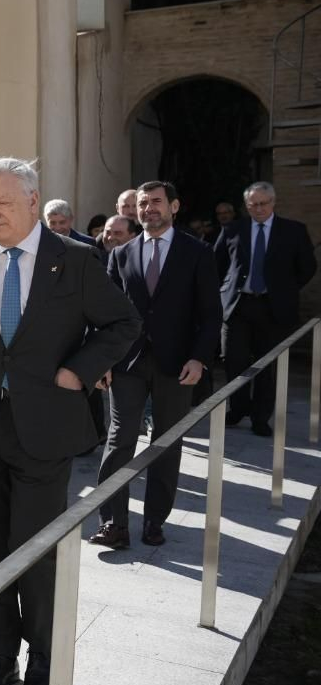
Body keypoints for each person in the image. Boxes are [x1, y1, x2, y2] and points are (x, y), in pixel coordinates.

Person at [0, 158, 139, 685]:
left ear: (31, 200)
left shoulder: (76, 260)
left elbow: (123, 323)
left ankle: (43, 654)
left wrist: (80, 369)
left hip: (45, 430)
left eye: (2, 203)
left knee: (37, 548)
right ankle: (1, 656)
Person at [89, 181, 220, 550]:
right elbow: (107, 315)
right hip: (126, 364)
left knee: (166, 442)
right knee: (119, 441)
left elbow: (210, 315)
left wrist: (199, 358)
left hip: (177, 365)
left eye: (156, 202)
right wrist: (103, 360)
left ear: (174, 206)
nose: (149, 209)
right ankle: (113, 523)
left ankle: (154, 521)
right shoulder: (121, 254)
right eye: (143, 203)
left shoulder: (198, 253)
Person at [214, 181, 317, 436]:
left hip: (273, 308)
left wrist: (285, 290)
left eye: (263, 203)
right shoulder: (233, 230)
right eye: (252, 205)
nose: (258, 209)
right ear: (246, 206)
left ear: (273, 202)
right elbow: (216, 264)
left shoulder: (293, 231)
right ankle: (238, 408)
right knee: (233, 361)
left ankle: (261, 417)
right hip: (238, 307)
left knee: (267, 365)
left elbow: (307, 267)